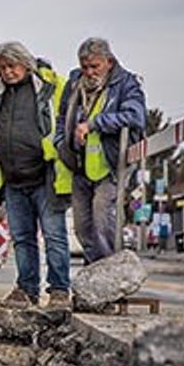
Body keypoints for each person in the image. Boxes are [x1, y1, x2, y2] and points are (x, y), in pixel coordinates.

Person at [0, 41, 73, 309]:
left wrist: (46, 147)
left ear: (25, 64)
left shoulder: (52, 87)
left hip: (45, 177)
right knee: (21, 239)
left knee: (54, 235)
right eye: (2, 68)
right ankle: (27, 290)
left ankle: (60, 291)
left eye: (12, 66)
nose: (7, 72)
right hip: (12, 180)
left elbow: (68, 121)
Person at [56, 37, 147, 264]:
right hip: (79, 166)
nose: (89, 72)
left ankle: (107, 273)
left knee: (103, 222)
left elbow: (135, 116)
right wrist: (61, 142)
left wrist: (95, 123)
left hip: (110, 166)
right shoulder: (74, 84)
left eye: (94, 66)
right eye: (85, 67)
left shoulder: (126, 84)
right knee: (82, 226)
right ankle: (93, 270)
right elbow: (62, 116)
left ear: (109, 61)